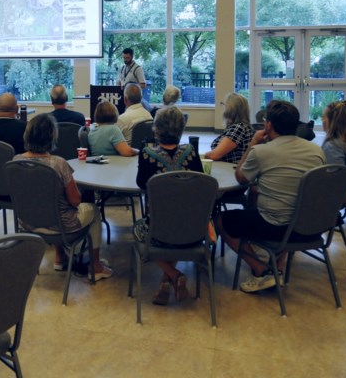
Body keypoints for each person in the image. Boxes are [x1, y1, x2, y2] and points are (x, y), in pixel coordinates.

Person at [217, 100, 326, 293]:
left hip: (277, 226)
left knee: (222, 220)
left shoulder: (262, 151)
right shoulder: (316, 150)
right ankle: (279, 266)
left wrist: (252, 144)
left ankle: (262, 270)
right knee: (278, 202)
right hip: (311, 225)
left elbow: (241, 177)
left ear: (268, 125)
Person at [13, 113, 111, 278]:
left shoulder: (16, 161)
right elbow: (75, 200)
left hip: (28, 223)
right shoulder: (58, 164)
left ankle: (60, 257)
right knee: (92, 211)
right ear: (52, 137)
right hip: (60, 225)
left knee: (53, 205)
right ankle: (96, 267)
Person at [134, 107, 203, 305]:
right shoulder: (191, 152)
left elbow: (141, 184)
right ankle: (167, 280)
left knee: (138, 231)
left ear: (156, 129)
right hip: (193, 228)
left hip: (158, 229)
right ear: (181, 129)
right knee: (176, 225)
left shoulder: (147, 154)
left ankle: (172, 274)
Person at [205, 92, 254, 164]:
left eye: (224, 105)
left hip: (230, 170)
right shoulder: (242, 126)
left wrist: (202, 156)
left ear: (230, 109)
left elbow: (214, 155)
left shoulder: (238, 128)